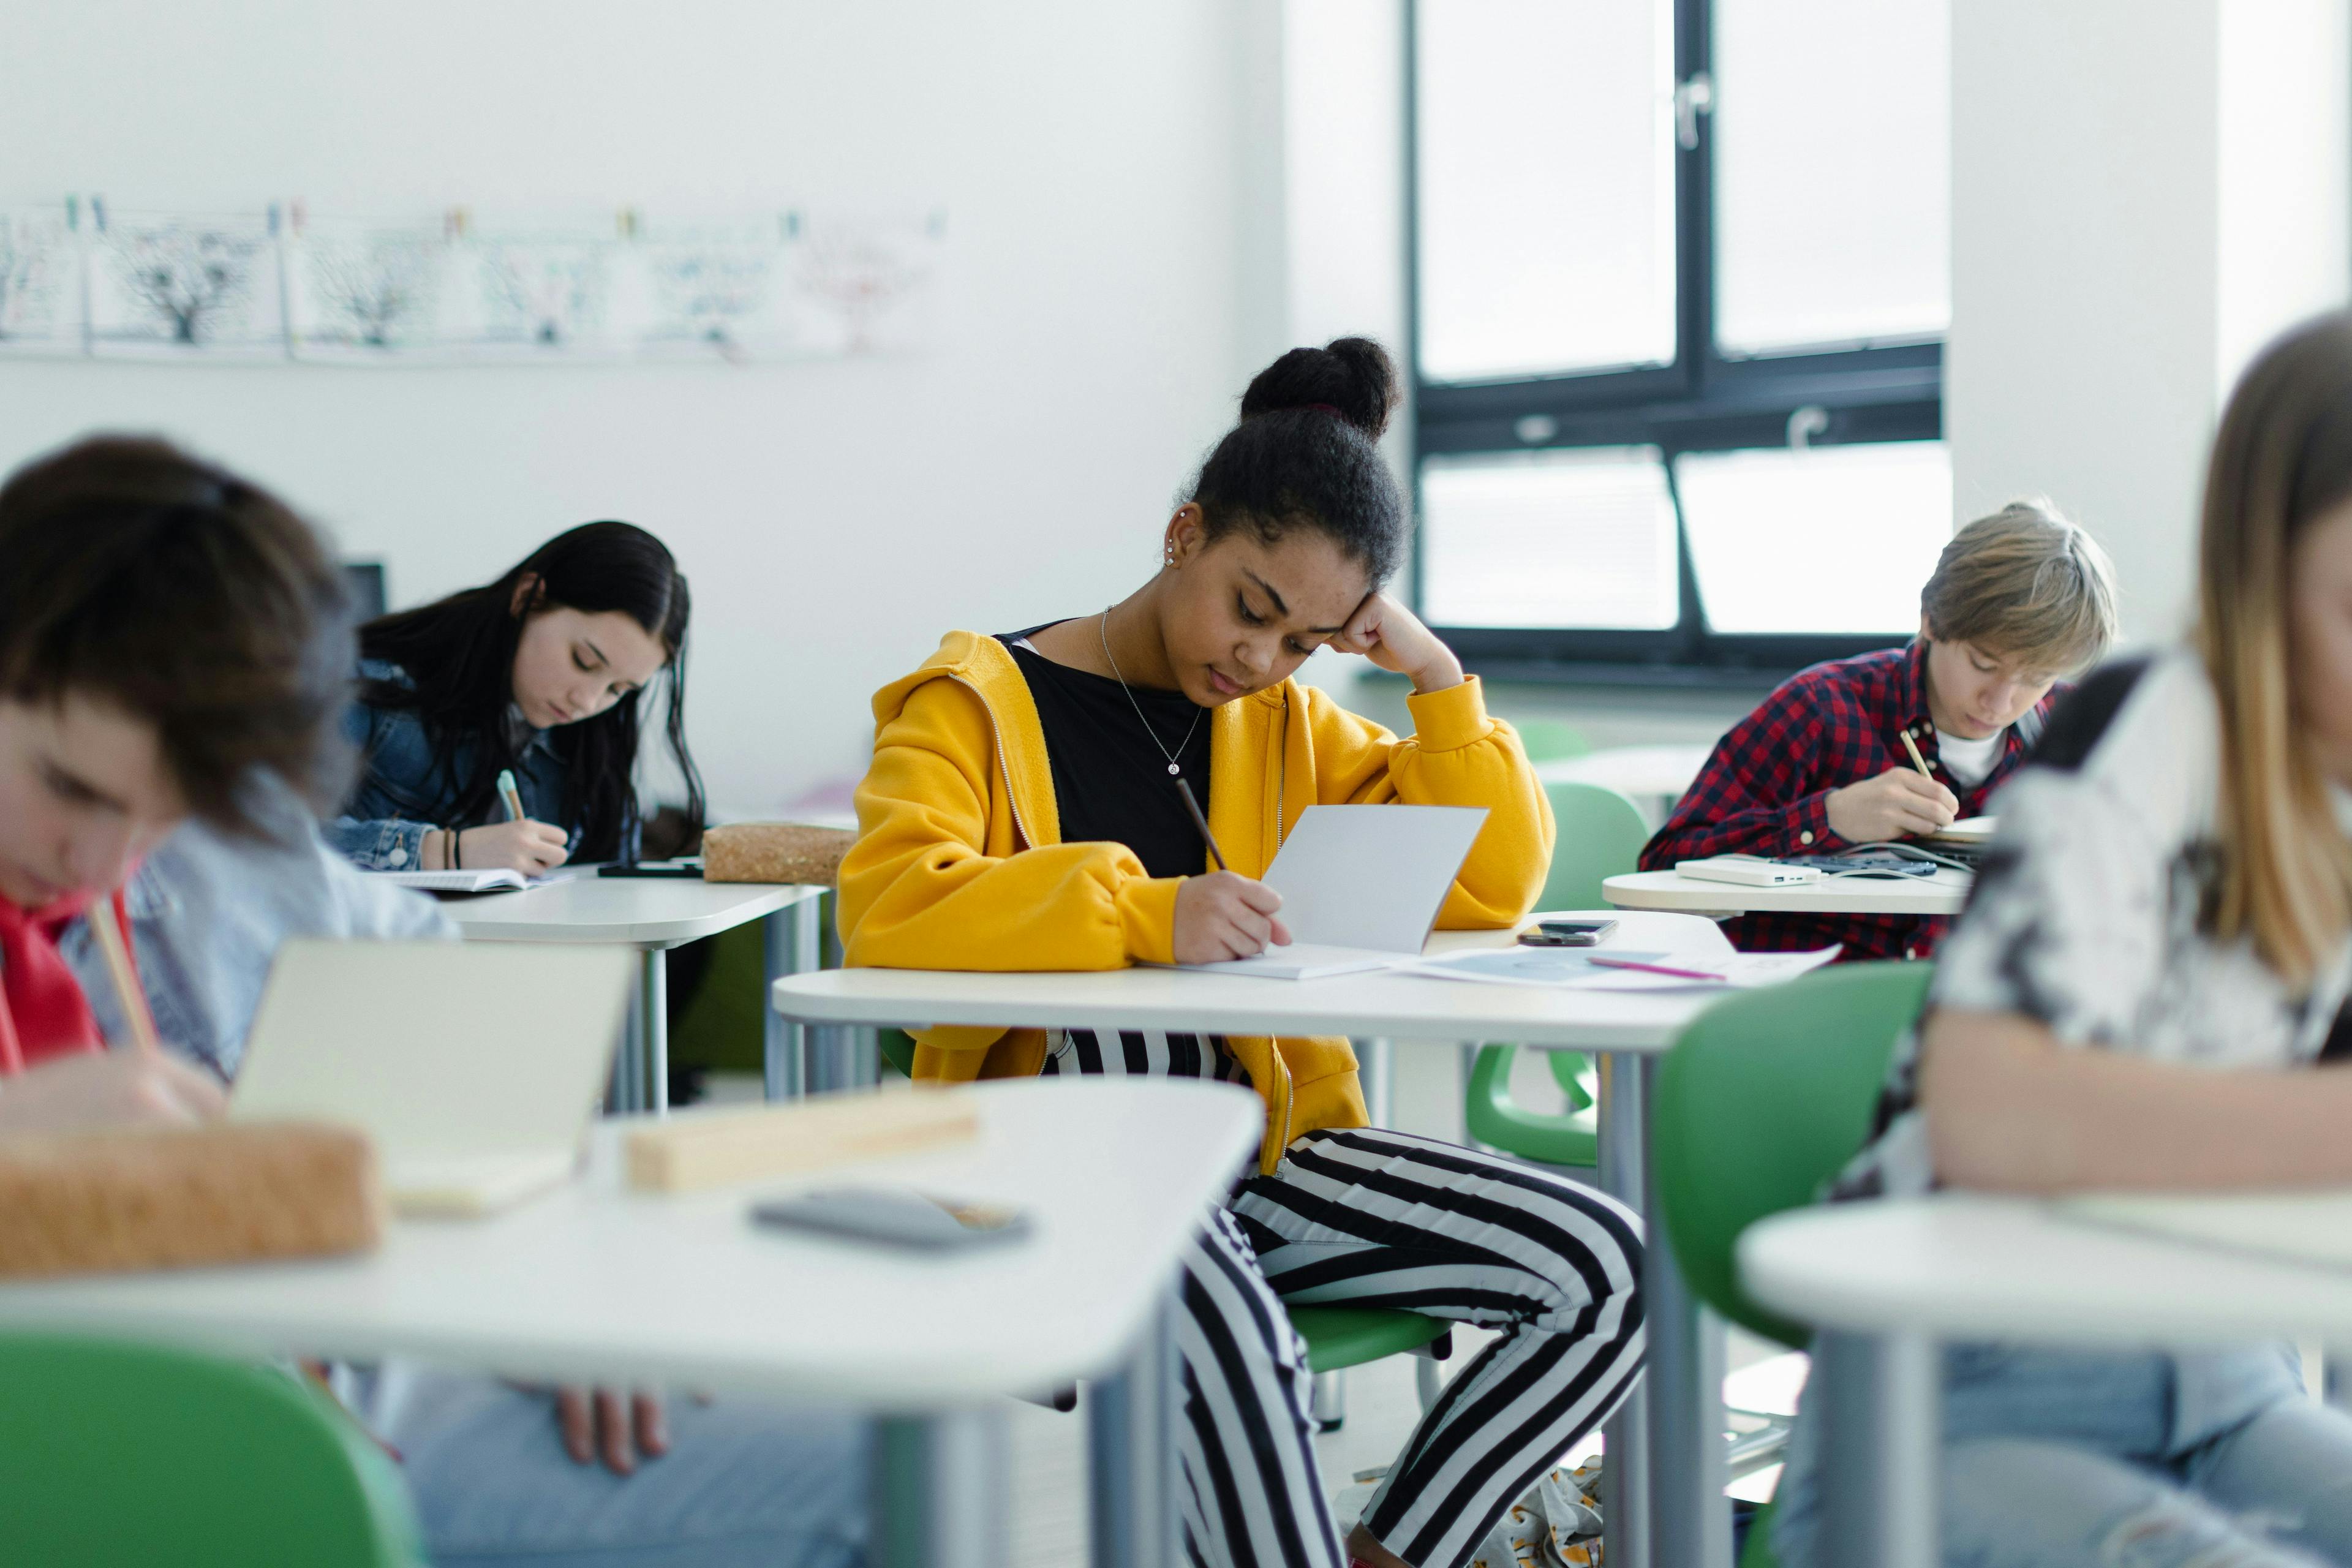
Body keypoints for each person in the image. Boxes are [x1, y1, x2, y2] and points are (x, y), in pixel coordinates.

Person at [838, 339, 1645, 1568]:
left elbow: (1488, 889)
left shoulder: (1286, 723)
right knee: (1240, 1337)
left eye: (1307, 641)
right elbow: (890, 903)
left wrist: (1434, 679)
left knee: (1610, 1268)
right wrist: (1142, 910)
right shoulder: (974, 699)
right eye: (1253, 608)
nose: (1258, 659)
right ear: (1183, 535)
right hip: (1073, 1160)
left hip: (1270, 1155)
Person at [0, 434, 865, 1568]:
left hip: (336, 1372)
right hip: (152, 1439)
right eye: (71, 788)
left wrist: (544, 1289)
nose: (109, 857)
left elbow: (459, 1060)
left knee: (869, 1450)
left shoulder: (225, 854)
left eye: (167, 813)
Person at [1773, 312, 2352, 1566]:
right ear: (2263, 576)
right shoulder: (2146, 728)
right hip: (1960, 1398)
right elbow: (1988, 1109)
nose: (2000, 699)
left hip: (2229, 1379)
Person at [1640, 500, 2118, 959]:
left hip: (1965, 1023)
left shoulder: (2072, 733)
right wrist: (1828, 819)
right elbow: (1662, 866)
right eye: (1982, 664)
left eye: (2036, 679)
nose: (2000, 703)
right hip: (1801, 1014)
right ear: (1931, 621)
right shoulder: (1822, 709)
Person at [330, 521, 704, 876]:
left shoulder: (594, 749)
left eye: (617, 690)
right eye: (584, 661)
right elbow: (278, 842)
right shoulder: (365, 690)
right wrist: (445, 852)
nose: (587, 703)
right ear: (528, 598)